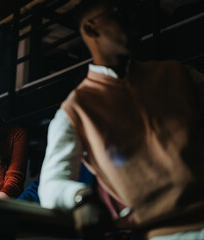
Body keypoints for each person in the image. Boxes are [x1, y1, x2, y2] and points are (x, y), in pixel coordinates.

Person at [38, 0, 204, 239]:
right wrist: (81, 198)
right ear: (91, 29)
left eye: (132, 10)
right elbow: (51, 185)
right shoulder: (75, 111)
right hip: (169, 234)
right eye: (119, 13)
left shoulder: (179, 74)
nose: (134, 19)